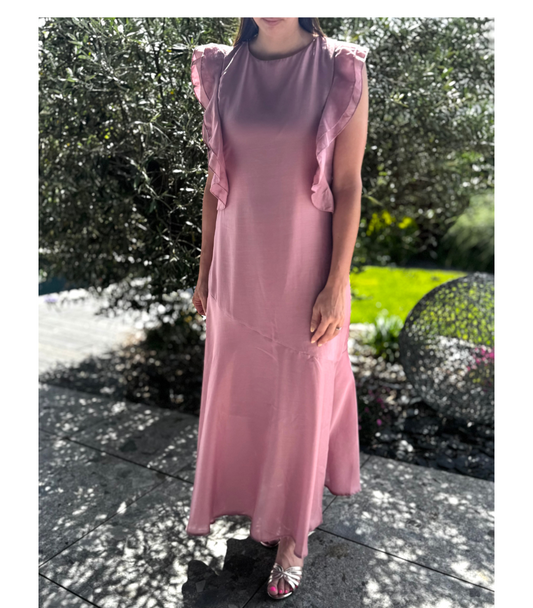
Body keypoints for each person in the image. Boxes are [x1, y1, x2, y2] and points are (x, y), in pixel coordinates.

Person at [186, 17, 369, 600]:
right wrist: (205, 270)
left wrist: (336, 283)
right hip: (238, 269)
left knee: (302, 398)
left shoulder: (340, 68)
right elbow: (216, 183)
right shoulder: (220, 68)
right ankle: (258, 505)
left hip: (305, 272)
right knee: (246, 396)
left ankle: (292, 538)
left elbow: (349, 184)